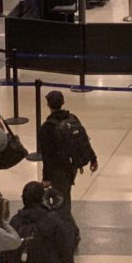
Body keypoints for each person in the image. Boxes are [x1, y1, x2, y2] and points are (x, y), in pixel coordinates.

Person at [38, 91, 98, 235]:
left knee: (62, 202)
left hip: (59, 170)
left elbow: (47, 156)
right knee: (63, 196)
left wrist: (46, 177)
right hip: (73, 166)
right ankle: (64, 231)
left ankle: (71, 234)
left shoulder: (47, 127)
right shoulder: (73, 119)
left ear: (48, 104)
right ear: (63, 102)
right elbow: (83, 141)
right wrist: (93, 158)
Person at [6, 181, 80, 263]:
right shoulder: (52, 219)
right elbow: (63, 247)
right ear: (42, 198)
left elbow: (7, 248)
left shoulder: (16, 221)